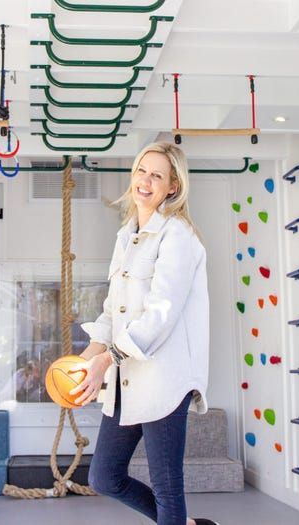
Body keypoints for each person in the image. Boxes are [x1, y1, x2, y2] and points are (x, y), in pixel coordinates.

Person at [70, 142, 216, 525]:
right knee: (104, 476)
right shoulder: (126, 236)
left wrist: (107, 358)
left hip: (164, 380)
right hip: (127, 379)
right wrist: (90, 354)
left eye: (157, 175)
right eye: (141, 171)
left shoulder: (179, 236)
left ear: (172, 186)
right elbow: (112, 308)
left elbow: (161, 313)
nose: (146, 181)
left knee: (168, 489)